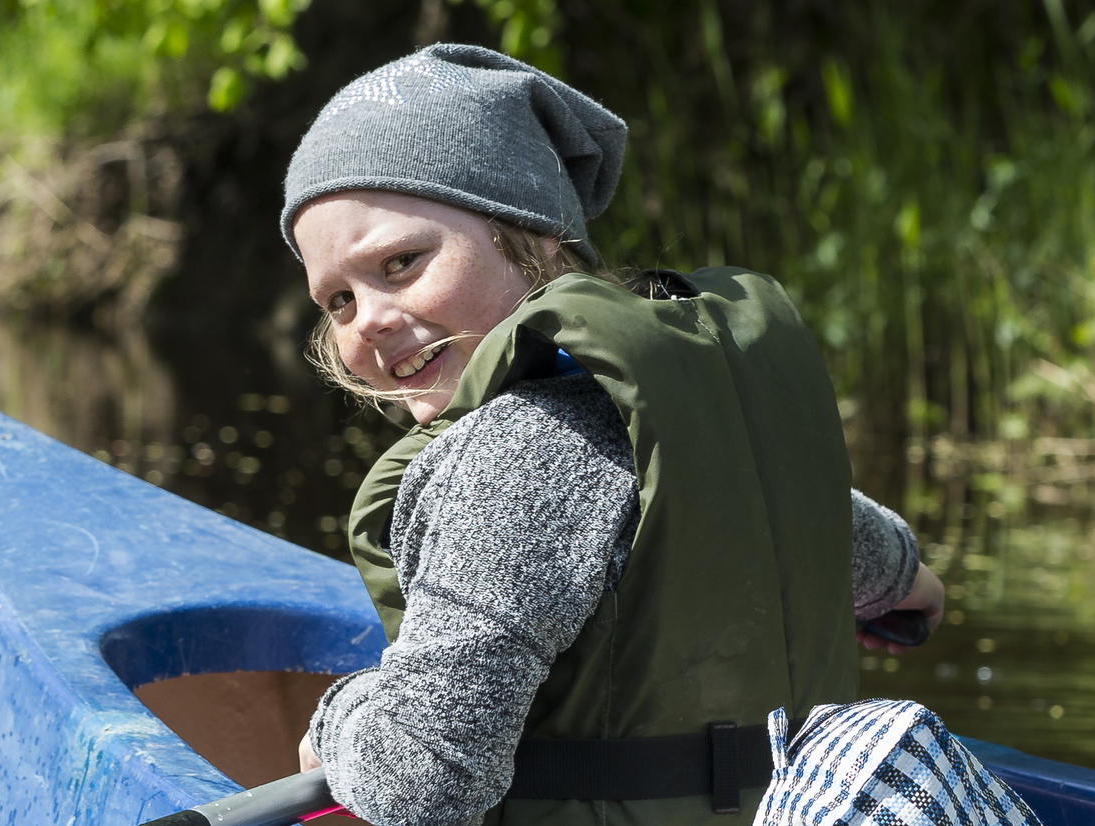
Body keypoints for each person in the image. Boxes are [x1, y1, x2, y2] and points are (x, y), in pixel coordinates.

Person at [282, 46, 946, 826]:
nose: (373, 324)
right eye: (339, 303)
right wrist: (901, 599)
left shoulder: (518, 449)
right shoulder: (682, 417)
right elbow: (904, 581)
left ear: (529, 234)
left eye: (400, 262)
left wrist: (334, 720)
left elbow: (422, 784)